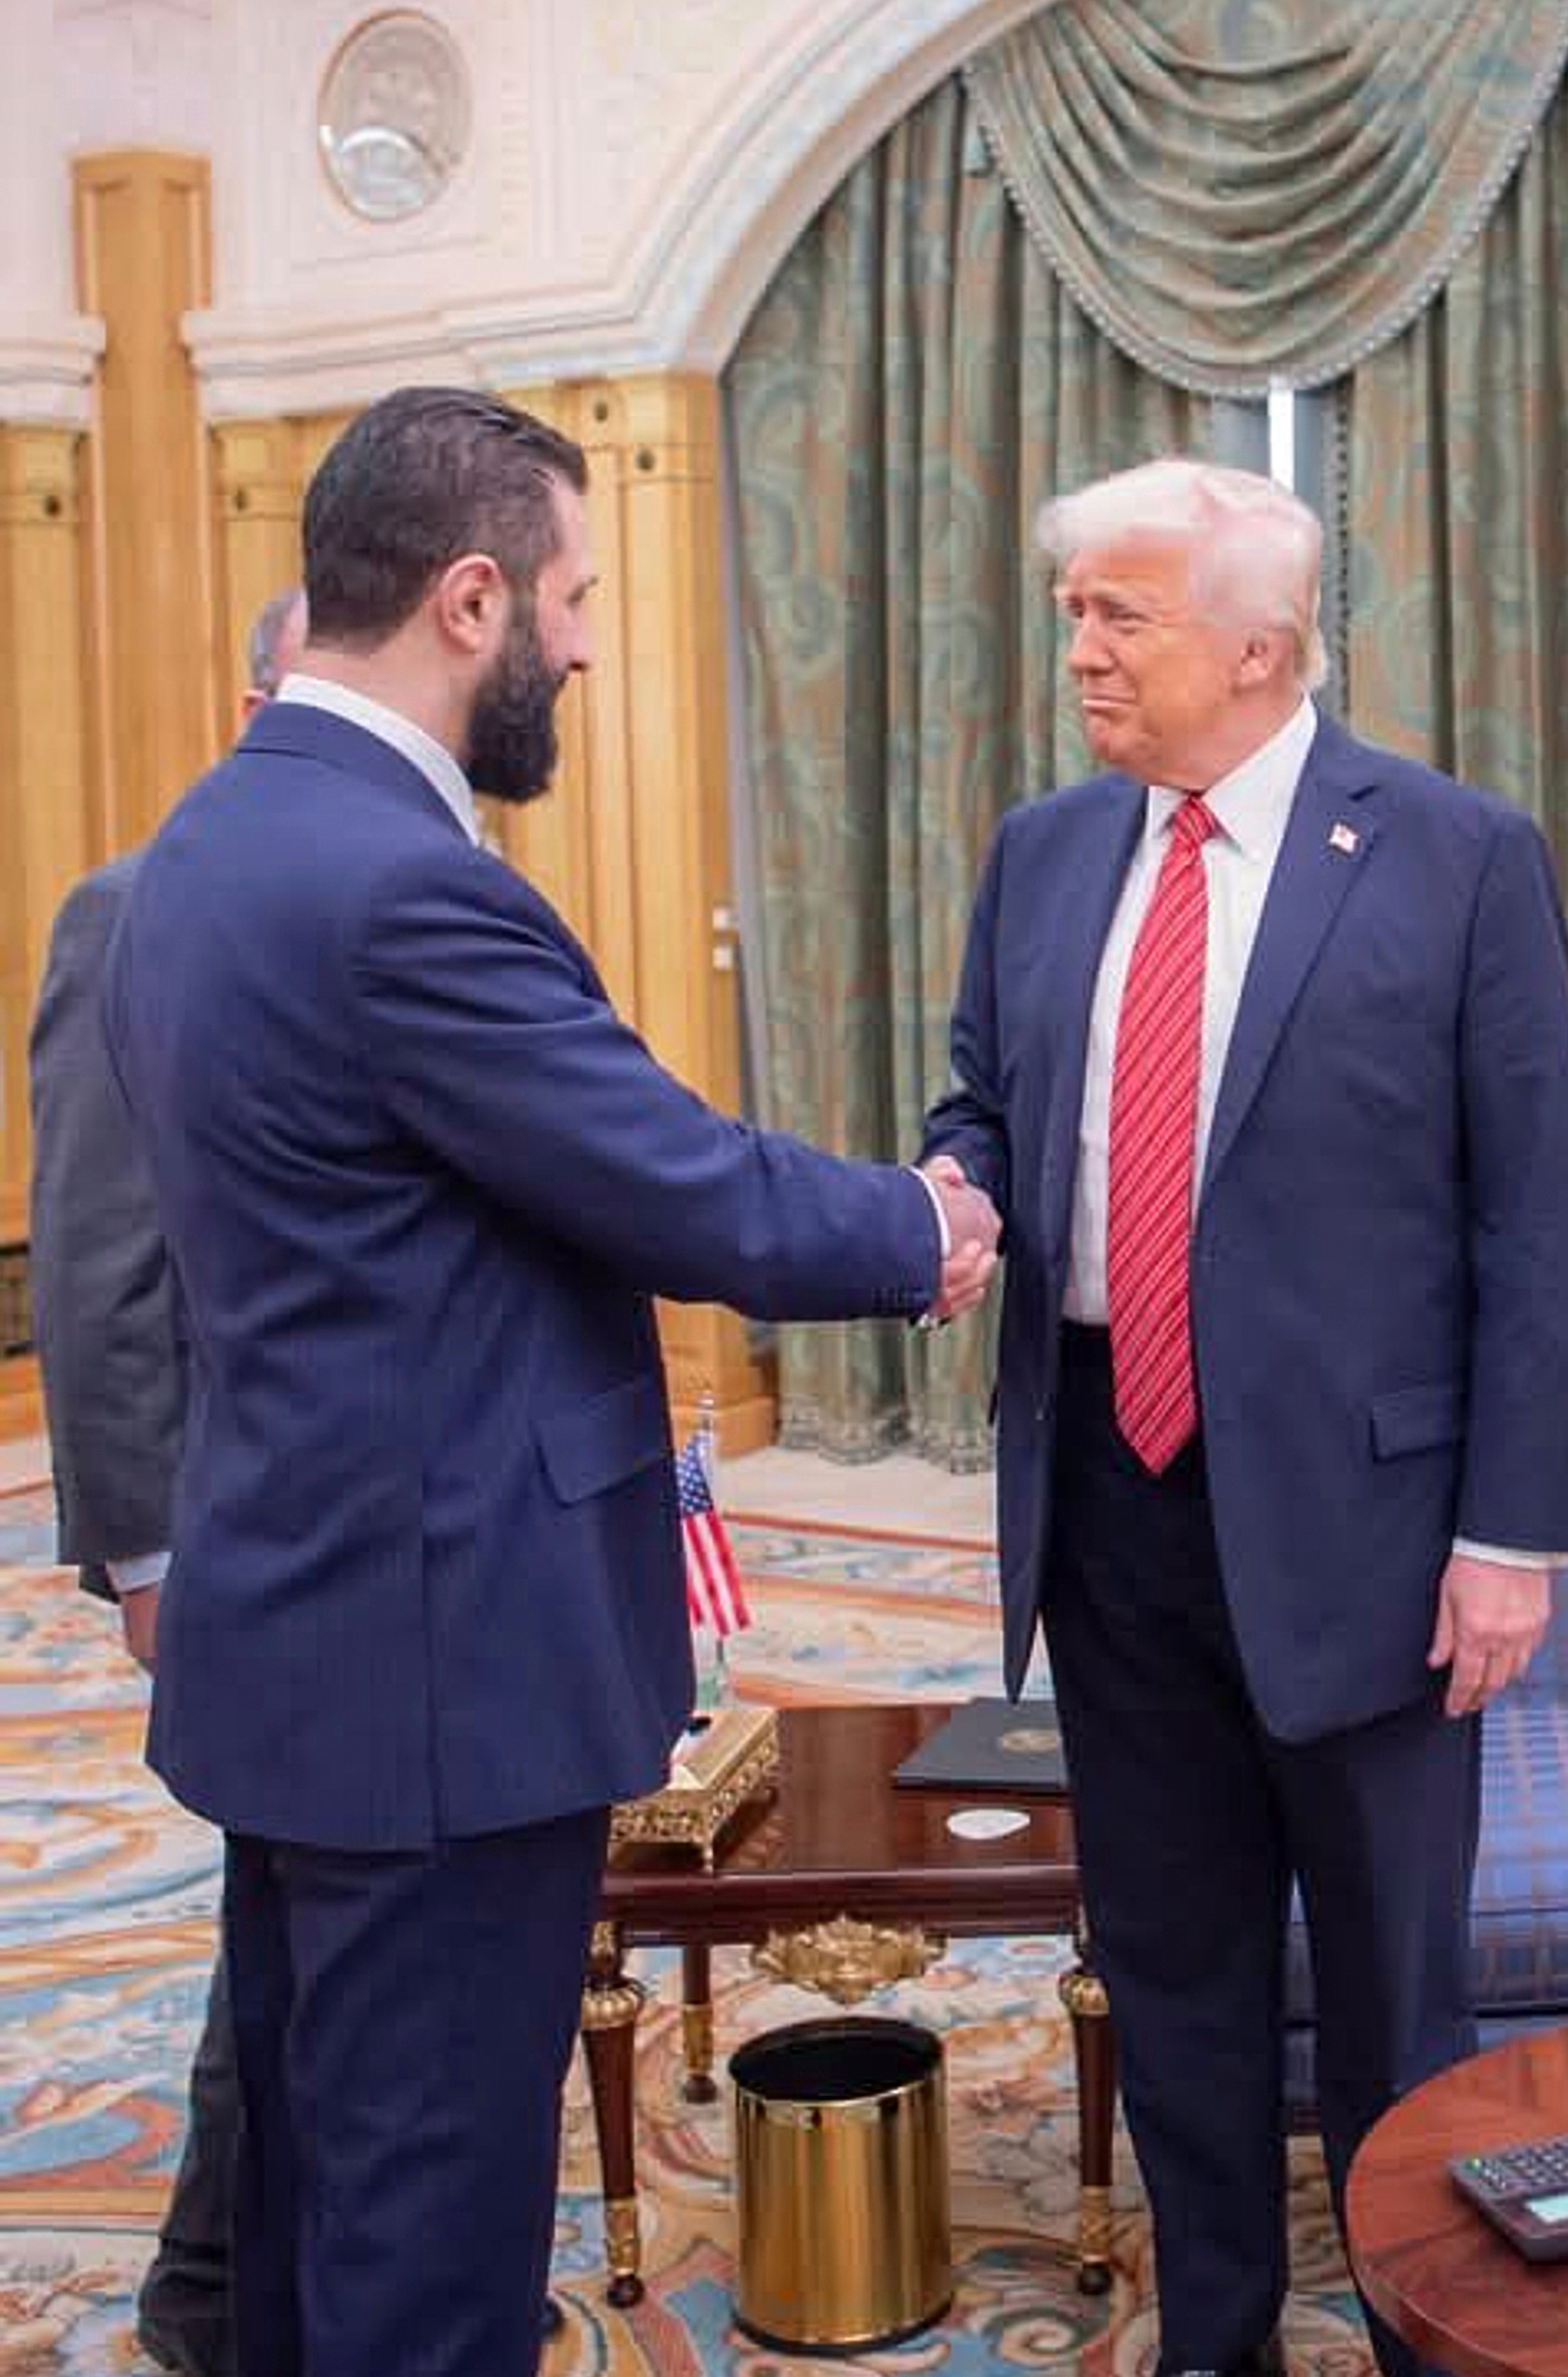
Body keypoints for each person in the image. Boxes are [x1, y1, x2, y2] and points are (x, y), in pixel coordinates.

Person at [102, 386, 1001, 2376]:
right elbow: (678, 1179)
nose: (590, 645)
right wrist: (924, 1226)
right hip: (438, 1668)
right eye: (579, 597)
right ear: (474, 596)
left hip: (303, 1636)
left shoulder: (202, 847)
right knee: (432, 2229)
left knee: (311, 2194)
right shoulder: (403, 887)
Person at [920, 458, 1568, 2377]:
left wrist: (1511, 1536)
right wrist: (956, 1187)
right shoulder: (1046, 851)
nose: (1079, 650)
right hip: (1111, 1511)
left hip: (1370, 1542)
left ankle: (1416, 2338)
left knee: (1394, 2000)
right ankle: (1212, 2334)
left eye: (1118, 616)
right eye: (1075, 612)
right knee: (1178, 1976)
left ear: (1261, 645)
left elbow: (1529, 1220)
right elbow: (984, 1094)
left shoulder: (1457, 855)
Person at [24, 583, 306, 2377]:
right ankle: (212, 2293)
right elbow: (95, 1261)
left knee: (294, 1924)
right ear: (262, 691)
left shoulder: (397, 894)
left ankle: (251, 2285)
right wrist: (141, 1552)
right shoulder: (131, 911)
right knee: (282, 1924)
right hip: (230, 1534)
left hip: (346, 1526)